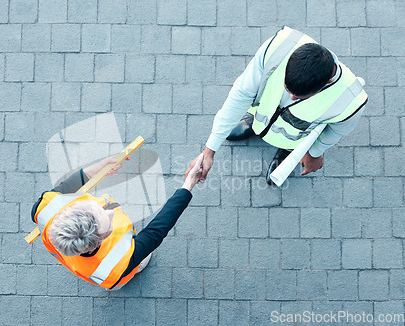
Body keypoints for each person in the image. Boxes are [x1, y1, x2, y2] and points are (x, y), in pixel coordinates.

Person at [185, 26, 368, 185]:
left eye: (297, 97)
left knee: (291, 146)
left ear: (327, 82)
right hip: (262, 114)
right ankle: (254, 125)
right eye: (287, 89)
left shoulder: (351, 101)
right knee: (257, 116)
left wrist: (312, 153)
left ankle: (287, 153)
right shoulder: (279, 47)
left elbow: (334, 133)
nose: (289, 97)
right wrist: (209, 151)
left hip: (293, 138)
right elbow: (240, 96)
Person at [31, 153, 203, 290]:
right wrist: (189, 184)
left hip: (83, 266)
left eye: (100, 210)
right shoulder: (120, 263)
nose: (110, 212)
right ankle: (138, 268)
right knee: (137, 264)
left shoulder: (45, 209)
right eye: (107, 227)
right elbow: (156, 230)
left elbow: (65, 187)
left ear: (77, 207)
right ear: (97, 242)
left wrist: (97, 168)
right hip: (119, 275)